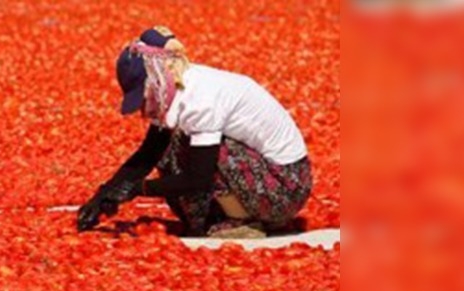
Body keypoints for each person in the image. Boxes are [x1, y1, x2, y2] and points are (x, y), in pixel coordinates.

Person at [76, 26, 312, 238]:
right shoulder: (175, 89)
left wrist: (139, 189)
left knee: (207, 151)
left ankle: (243, 221)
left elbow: (200, 178)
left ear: (158, 77)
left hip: (286, 188)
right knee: (171, 148)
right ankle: (223, 215)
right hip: (266, 178)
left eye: (143, 94)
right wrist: (105, 194)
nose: (144, 104)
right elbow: (149, 152)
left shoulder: (198, 99)